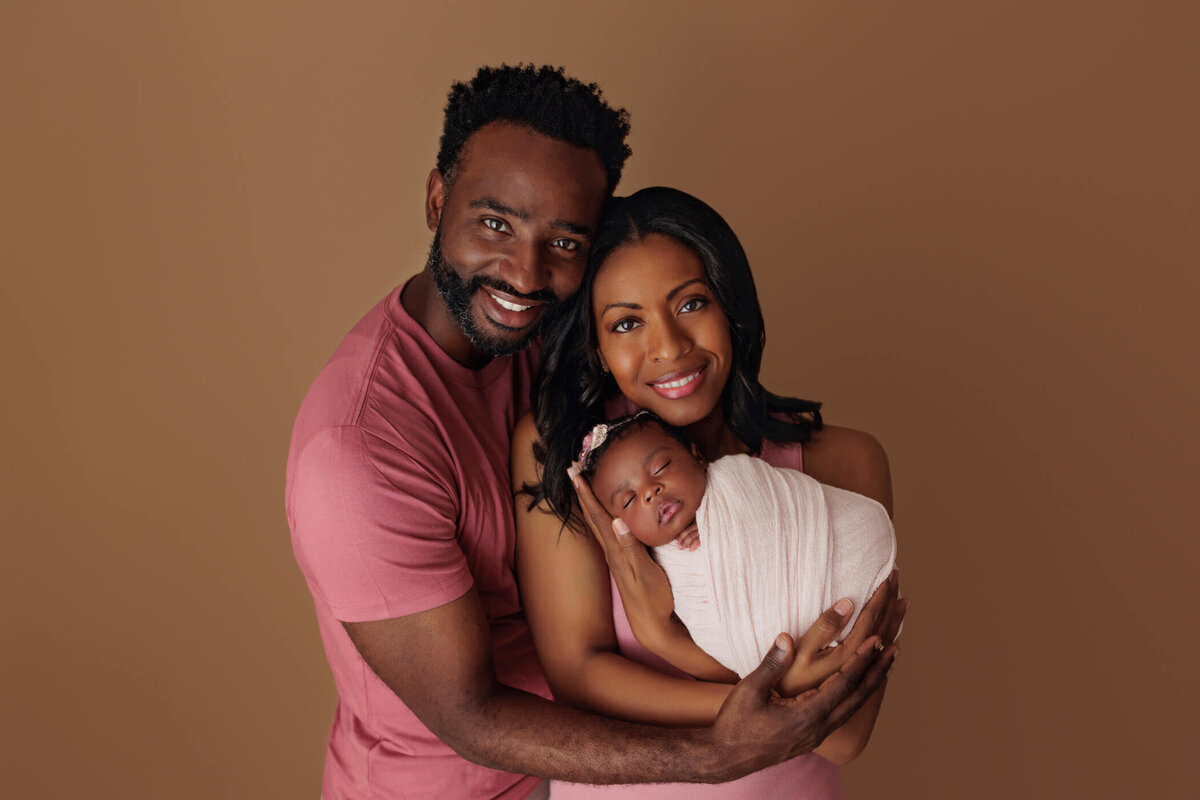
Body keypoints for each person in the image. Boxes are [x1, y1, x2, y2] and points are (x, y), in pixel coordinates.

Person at [287, 66, 898, 800]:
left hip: (589, 774)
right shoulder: (358, 452)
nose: (525, 272)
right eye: (495, 222)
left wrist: (686, 657)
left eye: (565, 241)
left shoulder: (564, 369)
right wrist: (732, 734)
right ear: (435, 198)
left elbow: (847, 731)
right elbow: (470, 711)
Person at [513, 186, 906, 798]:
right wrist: (777, 698)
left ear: (731, 305)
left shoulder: (843, 461)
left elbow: (844, 737)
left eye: (690, 303)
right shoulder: (572, 457)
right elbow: (577, 677)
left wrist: (667, 641)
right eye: (626, 323)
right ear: (596, 344)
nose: (668, 347)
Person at [577, 411, 896, 693]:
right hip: (798, 668)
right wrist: (659, 636)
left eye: (661, 467)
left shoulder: (736, 478)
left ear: (697, 456)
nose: (650, 491)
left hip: (854, 568)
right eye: (630, 499)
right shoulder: (659, 566)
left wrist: (722, 519)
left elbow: (759, 515)